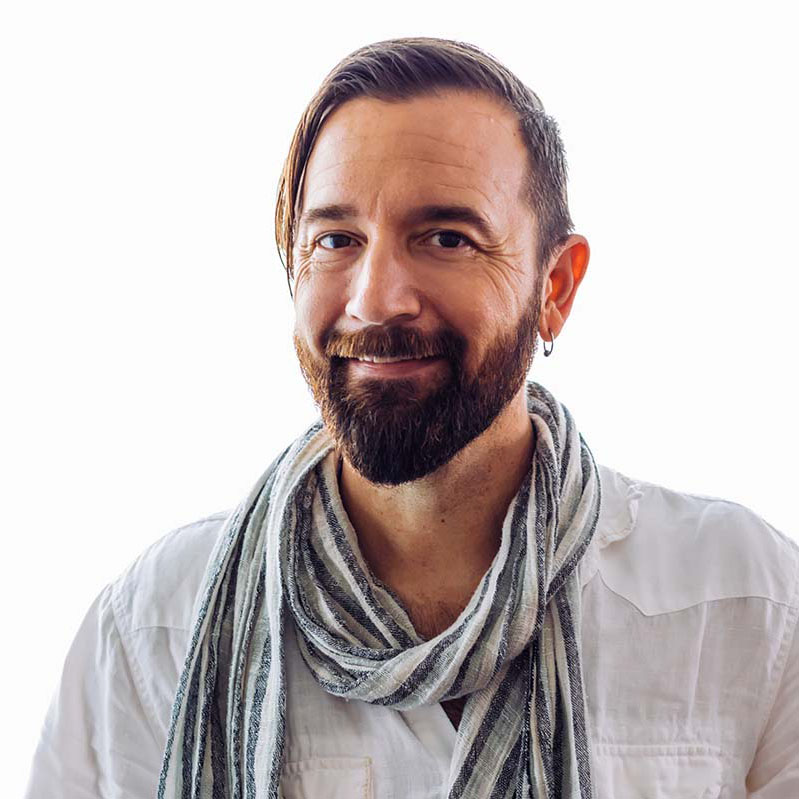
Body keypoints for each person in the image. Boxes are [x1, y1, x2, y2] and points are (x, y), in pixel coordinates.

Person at [25, 37, 798, 799]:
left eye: (446, 238)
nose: (375, 299)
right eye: (336, 239)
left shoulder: (746, 606)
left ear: (555, 287)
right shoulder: (152, 632)